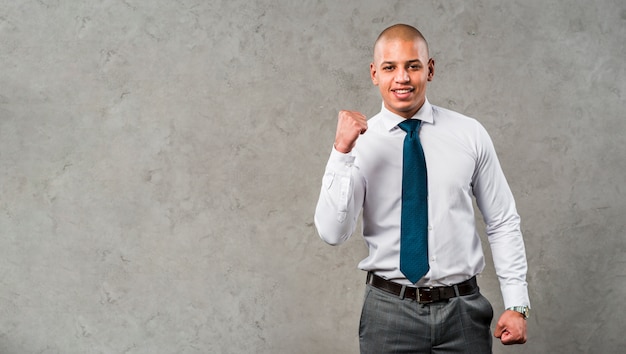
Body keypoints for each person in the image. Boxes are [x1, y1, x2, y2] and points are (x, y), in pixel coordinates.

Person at [314, 24, 530, 353]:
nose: (402, 78)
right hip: (388, 313)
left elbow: (502, 221)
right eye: (390, 67)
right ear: (374, 73)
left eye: (412, 66)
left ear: (429, 69)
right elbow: (332, 232)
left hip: (463, 312)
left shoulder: (469, 134)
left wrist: (517, 304)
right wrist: (340, 152)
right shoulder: (358, 144)